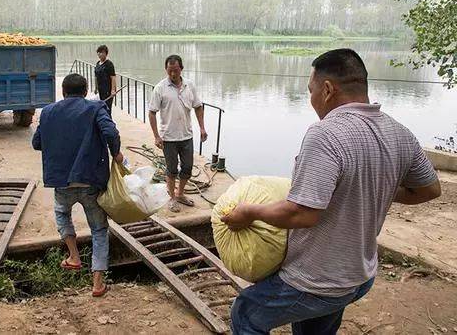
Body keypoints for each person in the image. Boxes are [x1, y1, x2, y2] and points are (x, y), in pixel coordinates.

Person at [222, 48, 442, 335]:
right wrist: (375, 187)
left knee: (247, 313)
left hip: (317, 280)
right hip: (359, 276)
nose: (311, 99)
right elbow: (429, 188)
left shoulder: (325, 133)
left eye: (310, 91)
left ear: (327, 89)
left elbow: (302, 213)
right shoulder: (399, 132)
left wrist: (249, 213)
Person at [32, 73, 124, 297]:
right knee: (99, 229)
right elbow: (110, 132)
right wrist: (117, 153)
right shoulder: (95, 108)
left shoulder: (48, 112)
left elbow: (36, 143)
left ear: (63, 92)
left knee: (62, 214)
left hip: (61, 180)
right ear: (85, 92)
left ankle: (74, 256)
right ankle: (97, 283)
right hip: (90, 179)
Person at [148, 55, 207, 213]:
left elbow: (198, 107)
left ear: (181, 69)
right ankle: (172, 198)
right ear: (166, 70)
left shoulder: (189, 86)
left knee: (187, 168)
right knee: (172, 169)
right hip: (169, 137)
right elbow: (152, 112)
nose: (173, 74)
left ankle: (180, 194)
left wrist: (202, 127)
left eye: (175, 70)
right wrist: (156, 136)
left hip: (187, 136)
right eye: (169, 71)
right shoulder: (160, 88)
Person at [94, 44, 117, 116]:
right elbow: (96, 77)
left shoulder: (109, 64)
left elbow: (113, 77)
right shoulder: (98, 63)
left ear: (105, 53)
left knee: (107, 109)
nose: (99, 54)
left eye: (101, 52)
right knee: (101, 108)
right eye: (98, 52)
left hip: (107, 90)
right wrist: (96, 87)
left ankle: (109, 124)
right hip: (100, 90)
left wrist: (113, 90)